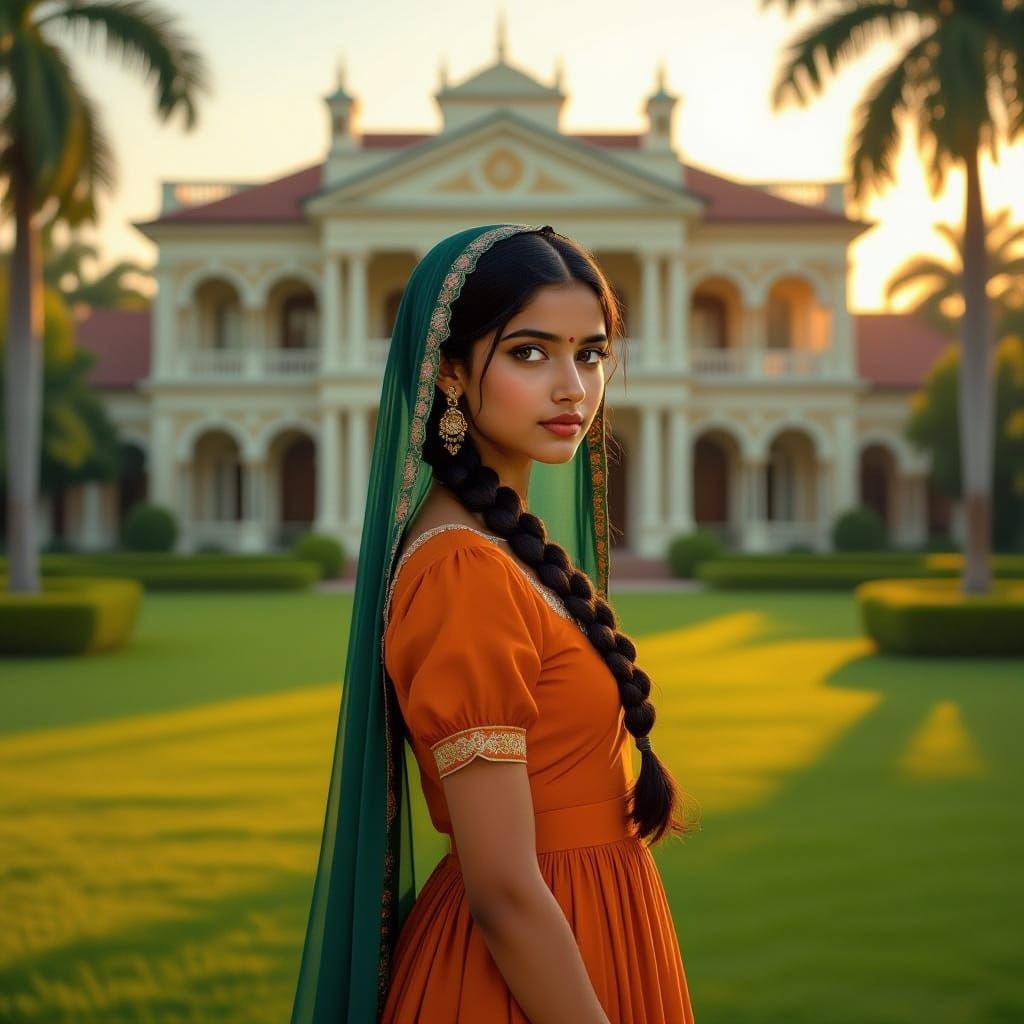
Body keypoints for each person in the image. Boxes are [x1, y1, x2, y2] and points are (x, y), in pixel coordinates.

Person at [289, 223, 699, 1024]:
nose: (574, 388)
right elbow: (505, 892)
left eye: (590, 353)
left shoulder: (502, 552)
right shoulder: (462, 573)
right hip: (523, 980)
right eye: (530, 352)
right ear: (448, 372)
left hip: (587, 935)